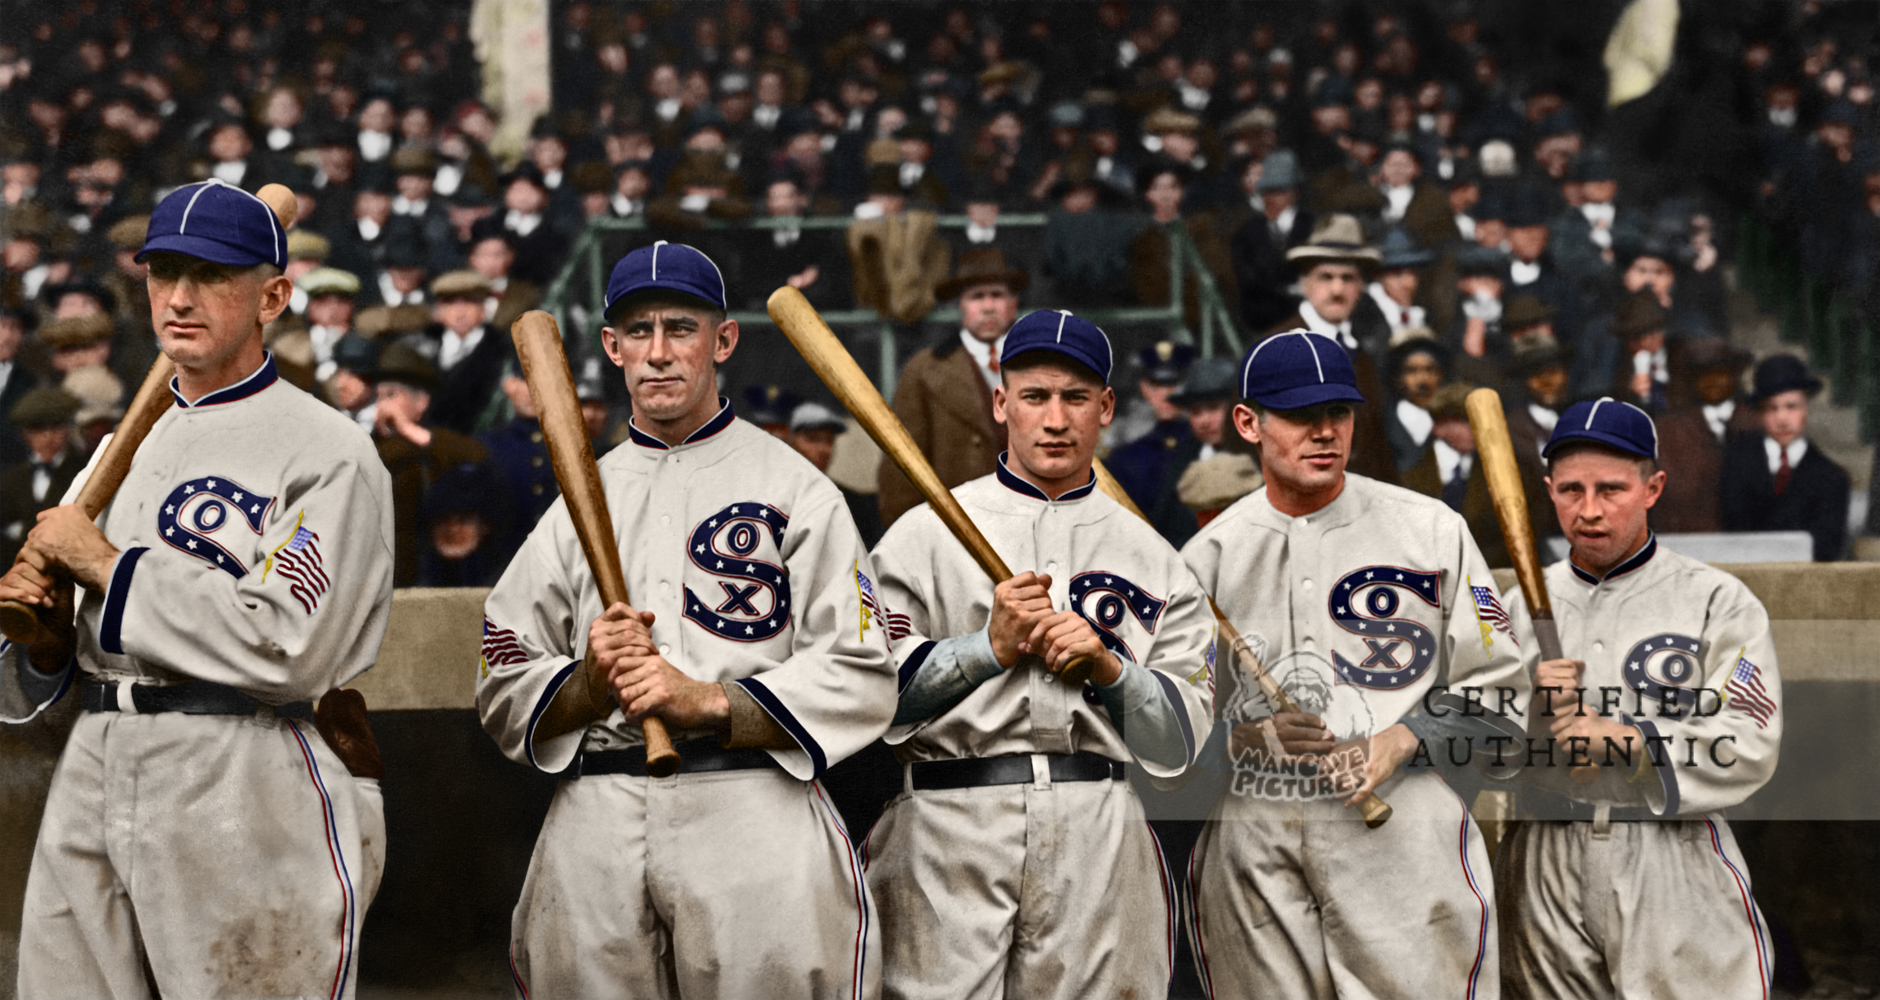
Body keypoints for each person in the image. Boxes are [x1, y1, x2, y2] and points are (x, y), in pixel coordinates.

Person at [1, 178, 392, 997]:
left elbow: (285, 642)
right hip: (98, 754)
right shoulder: (117, 449)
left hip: (243, 762)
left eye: (213, 275)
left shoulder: (326, 450)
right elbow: (47, 672)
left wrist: (105, 565)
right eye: (163, 273)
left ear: (273, 296)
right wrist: (44, 641)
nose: (180, 297)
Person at [477, 241, 894, 997]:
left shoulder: (796, 489)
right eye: (639, 332)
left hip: (750, 794)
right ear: (612, 348)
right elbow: (502, 668)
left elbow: (863, 668)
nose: (660, 353)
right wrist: (587, 684)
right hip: (598, 803)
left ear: (723, 340)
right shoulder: (576, 503)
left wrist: (706, 699)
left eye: (682, 328)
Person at [866, 309, 1214, 1000]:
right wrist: (986, 649)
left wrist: (1113, 672)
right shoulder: (921, 536)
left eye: (1076, 398)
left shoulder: (1153, 554)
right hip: (948, 817)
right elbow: (870, 699)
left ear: (1107, 408)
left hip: (1098, 818)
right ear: (1002, 404)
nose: (1056, 419)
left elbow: (1178, 745)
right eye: (1035, 396)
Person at [1181, 331, 1529, 999]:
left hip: (1402, 823)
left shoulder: (1430, 529)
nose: (1324, 431)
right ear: (1248, 423)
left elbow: (1504, 692)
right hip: (1257, 827)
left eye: (1337, 412)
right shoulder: (1207, 556)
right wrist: (1237, 738)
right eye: (1298, 414)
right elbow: (1166, 725)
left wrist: (1402, 740)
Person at [1498, 398, 1781, 999]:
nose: (1590, 510)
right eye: (1571, 490)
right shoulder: (1517, 603)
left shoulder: (1717, 601)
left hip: (1669, 846)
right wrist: (1531, 721)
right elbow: (1474, 740)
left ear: (1653, 488)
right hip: (1545, 849)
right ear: (1548, 490)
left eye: (1612, 489)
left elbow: (1750, 743)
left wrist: (1627, 739)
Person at [878, 248, 1026, 527]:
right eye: (976, 297)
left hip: (1031, 522)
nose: (988, 307)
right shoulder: (924, 370)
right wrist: (905, 537)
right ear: (961, 306)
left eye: (997, 295)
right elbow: (903, 465)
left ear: (1014, 304)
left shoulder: (1043, 365)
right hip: (958, 529)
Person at [1263, 213, 1400, 483]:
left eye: (1348, 278)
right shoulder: (1275, 349)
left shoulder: (1361, 355)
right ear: (1304, 284)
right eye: (1325, 277)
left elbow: (1377, 451)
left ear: (1361, 287)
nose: (1337, 290)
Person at [371, 342, 489, 586]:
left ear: (421, 401)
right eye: (380, 396)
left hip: (435, 576)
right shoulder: (372, 447)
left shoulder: (439, 444)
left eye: (392, 395)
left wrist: (408, 430)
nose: (383, 405)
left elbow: (479, 459)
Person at [1720, 355, 1851, 561]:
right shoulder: (1737, 462)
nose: (1782, 419)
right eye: (1772, 408)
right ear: (1760, 414)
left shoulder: (1831, 479)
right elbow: (1733, 534)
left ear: (1806, 408)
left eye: (1791, 406)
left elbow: (1826, 553)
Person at [1653, 339, 1757, 534]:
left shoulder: (1756, 423)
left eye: (1721, 372)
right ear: (1691, 380)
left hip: (1750, 545)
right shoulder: (1669, 430)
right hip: (1689, 543)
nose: (1712, 381)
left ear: (1735, 376)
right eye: (1702, 375)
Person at [0, 387, 84, 566]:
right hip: (20, 573)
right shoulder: (12, 479)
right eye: (38, 430)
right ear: (25, 434)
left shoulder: (84, 471)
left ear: (68, 429)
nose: (48, 438)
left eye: (55, 428)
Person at [786, 400, 882, 548]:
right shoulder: (770, 495)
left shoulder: (851, 504)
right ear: (791, 440)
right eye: (814, 439)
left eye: (829, 441)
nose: (824, 449)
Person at [1381, 327, 1447, 471]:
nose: (1423, 381)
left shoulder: (1451, 422)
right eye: (1412, 371)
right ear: (1397, 379)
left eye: (1431, 370)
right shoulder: (1382, 427)